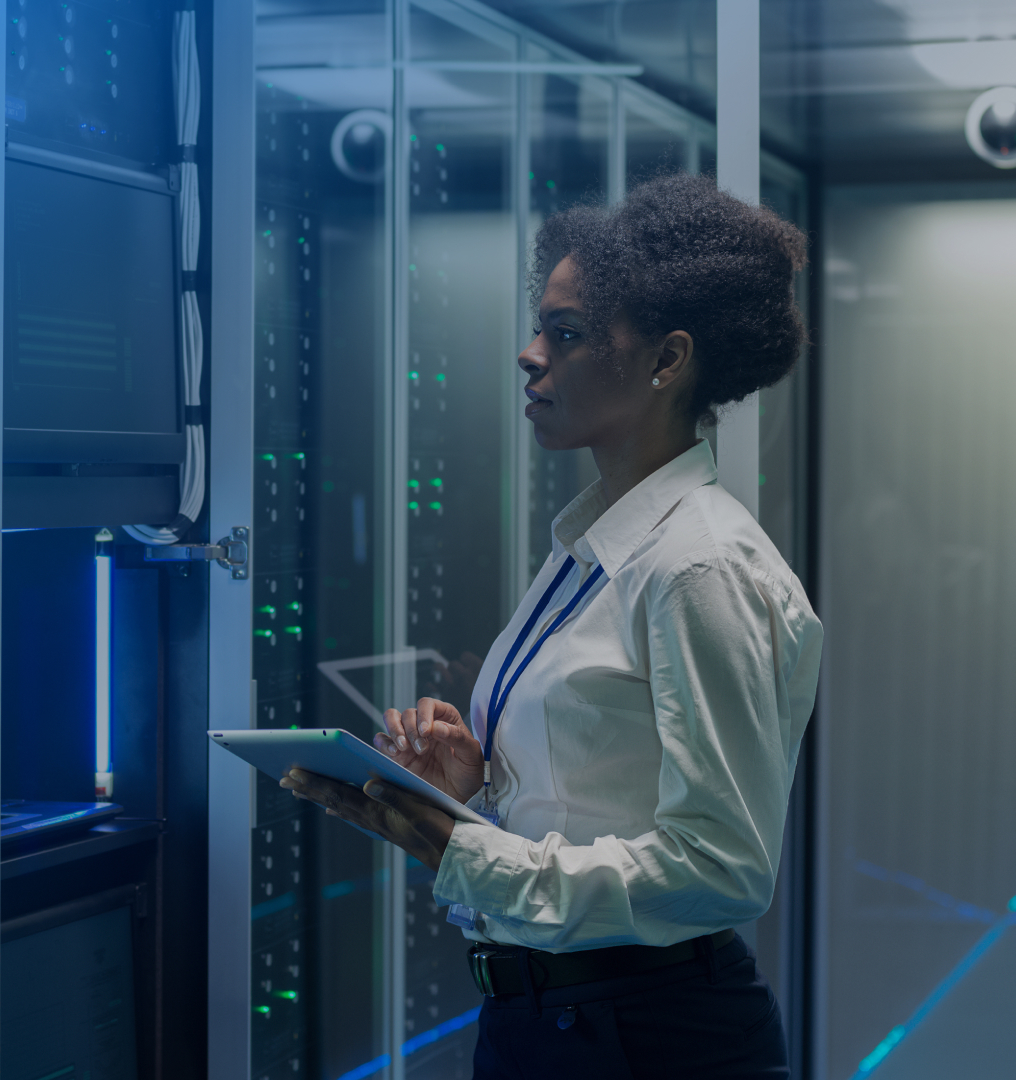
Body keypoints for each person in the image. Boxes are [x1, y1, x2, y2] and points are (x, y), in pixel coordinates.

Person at [282, 173, 822, 1079]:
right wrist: (471, 790)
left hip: (651, 1035)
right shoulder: (593, 546)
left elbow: (724, 867)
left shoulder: (698, 564)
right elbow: (591, 800)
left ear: (667, 360)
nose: (530, 355)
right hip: (548, 1018)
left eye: (565, 335)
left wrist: (472, 855)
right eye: (540, 328)